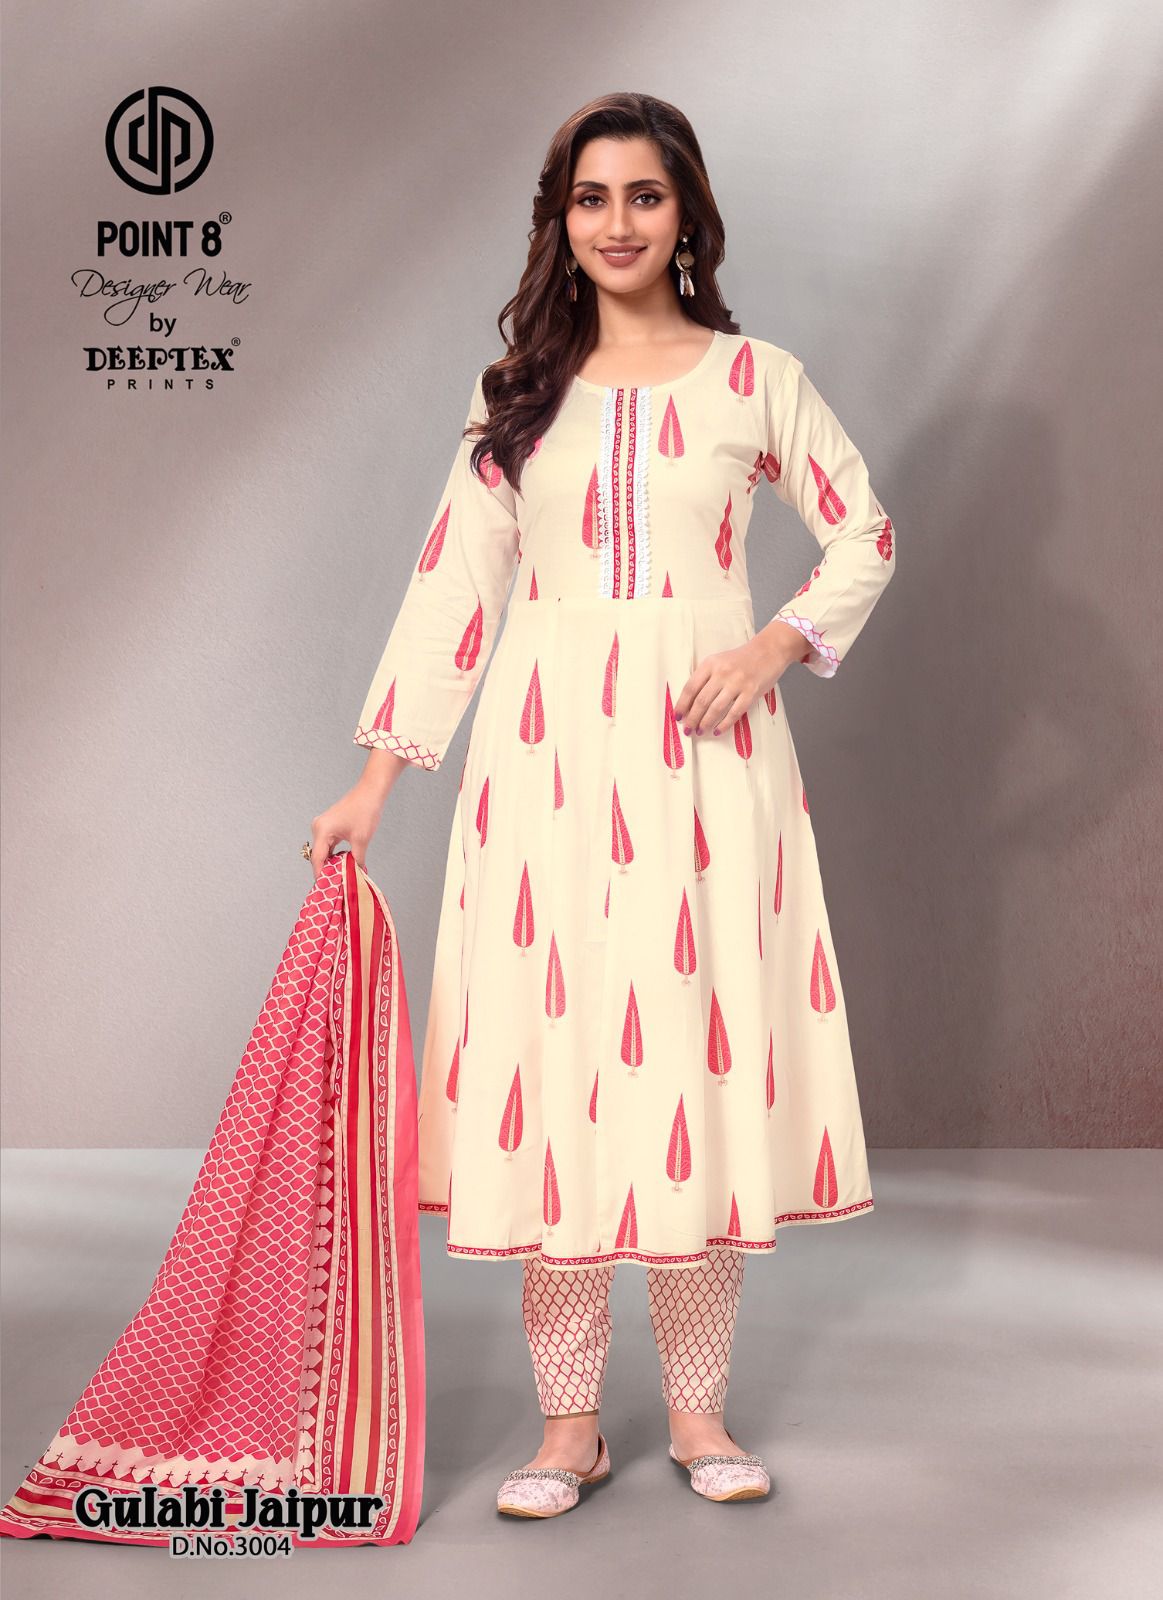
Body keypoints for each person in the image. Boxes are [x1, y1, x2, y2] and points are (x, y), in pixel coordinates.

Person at [309, 91, 895, 1517]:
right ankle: (566, 1429)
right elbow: (456, 588)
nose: (617, 222)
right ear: (560, 221)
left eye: (644, 195)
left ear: (686, 214)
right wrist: (377, 780)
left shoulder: (755, 378)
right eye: (591, 198)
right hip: (546, 765)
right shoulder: (519, 389)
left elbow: (865, 531)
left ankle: (699, 1417)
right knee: (552, 1058)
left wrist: (771, 648)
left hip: (708, 764)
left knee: (692, 1059)